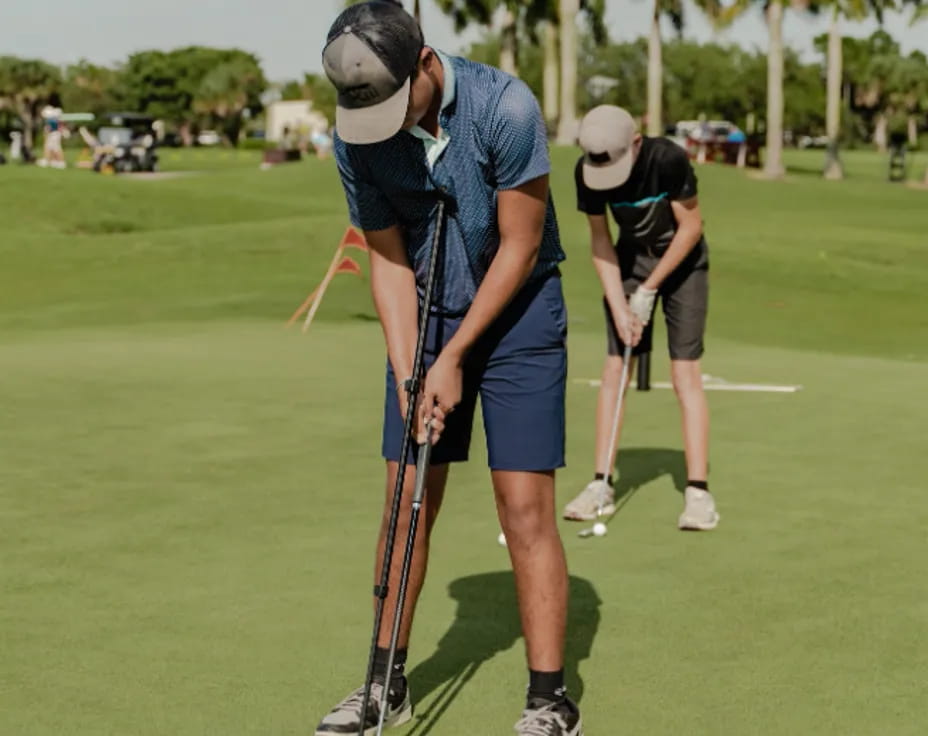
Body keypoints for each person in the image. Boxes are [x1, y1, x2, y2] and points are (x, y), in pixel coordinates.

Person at [313, 3, 582, 735]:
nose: (391, 125)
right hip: (425, 314)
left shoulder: (506, 107)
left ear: (426, 64)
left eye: (400, 105)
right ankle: (383, 687)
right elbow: (390, 261)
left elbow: (520, 246)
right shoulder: (358, 135)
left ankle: (550, 700)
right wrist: (413, 372)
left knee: (521, 504)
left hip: (519, 313)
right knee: (406, 497)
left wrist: (457, 357)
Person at [562, 104, 719, 532]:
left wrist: (649, 291)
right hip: (629, 266)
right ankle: (600, 483)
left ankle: (699, 493)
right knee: (616, 368)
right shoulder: (588, 171)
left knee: (685, 371)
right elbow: (600, 240)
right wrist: (619, 303)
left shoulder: (667, 159)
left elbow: (691, 228)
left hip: (683, 265)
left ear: (636, 143)